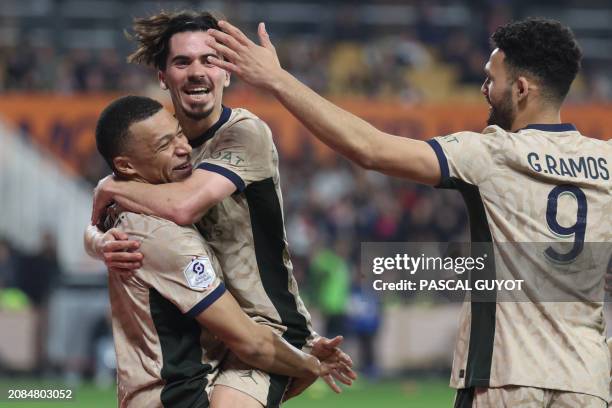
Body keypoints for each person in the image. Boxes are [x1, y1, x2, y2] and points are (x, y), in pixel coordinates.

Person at [204, 18, 611, 407]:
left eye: (491, 79)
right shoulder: (606, 162)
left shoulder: (491, 153)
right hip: (587, 381)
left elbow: (370, 149)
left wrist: (277, 78)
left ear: (521, 89)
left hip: (508, 376)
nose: (484, 89)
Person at [84, 11, 354, 406]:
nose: (196, 71)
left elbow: (184, 206)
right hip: (211, 332)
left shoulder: (246, 132)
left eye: (209, 60)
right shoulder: (157, 143)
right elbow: (106, 221)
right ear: (163, 77)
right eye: (182, 62)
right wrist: (96, 241)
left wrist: (109, 185)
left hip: (267, 327)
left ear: (227, 72)